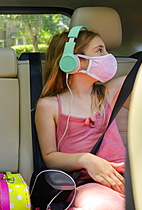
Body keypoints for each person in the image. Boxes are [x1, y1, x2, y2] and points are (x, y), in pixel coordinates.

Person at [35, 28, 130, 209]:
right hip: (88, 184)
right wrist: (86, 159)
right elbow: (50, 157)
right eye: (99, 51)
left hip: (127, 179)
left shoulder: (111, 93)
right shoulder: (49, 106)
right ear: (72, 61)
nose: (108, 57)